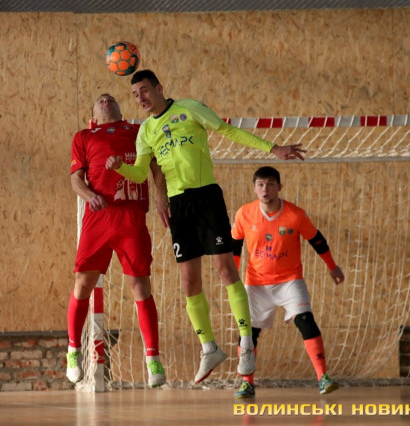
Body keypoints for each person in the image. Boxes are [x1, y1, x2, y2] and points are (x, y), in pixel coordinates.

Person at [105, 69, 306, 384]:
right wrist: (121, 168)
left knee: (226, 269)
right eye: (134, 94)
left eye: (144, 90)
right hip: (179, 206)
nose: (140, 98)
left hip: (207, 197)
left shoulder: (189, 108)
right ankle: (209, 348)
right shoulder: (145, 131)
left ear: (159, 88)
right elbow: (141, 172)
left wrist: (273, 148)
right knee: (189, 282)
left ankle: (246, 344)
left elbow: (228, 131)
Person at [67, 93, 166, 388]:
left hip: (131, 216)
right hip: (99, 217)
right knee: (83, 284)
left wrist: (162, 197)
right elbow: (75, 179)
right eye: (100, 100)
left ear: (121, 109)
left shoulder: (139, 131)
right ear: (93, 115)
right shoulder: (84, 136)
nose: (106, 100)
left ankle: (153, 359)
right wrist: (89, 196)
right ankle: (73, 351)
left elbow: (157, 169)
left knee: (140, 285)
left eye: (110, 98)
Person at [231, 166, 344, 398]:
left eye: (270, 184)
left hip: (290, 281)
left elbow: (317, 241)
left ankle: (323, 377)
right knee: (248, 332)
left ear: (279, 187)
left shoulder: (296, 214)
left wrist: (332, 266)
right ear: (254, 188)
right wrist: (232, 279)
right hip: (256, 283)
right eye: (261, 185)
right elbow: (234, 246)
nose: (265, 189)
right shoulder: (244, 213)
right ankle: (247, 383)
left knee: (306, 321)